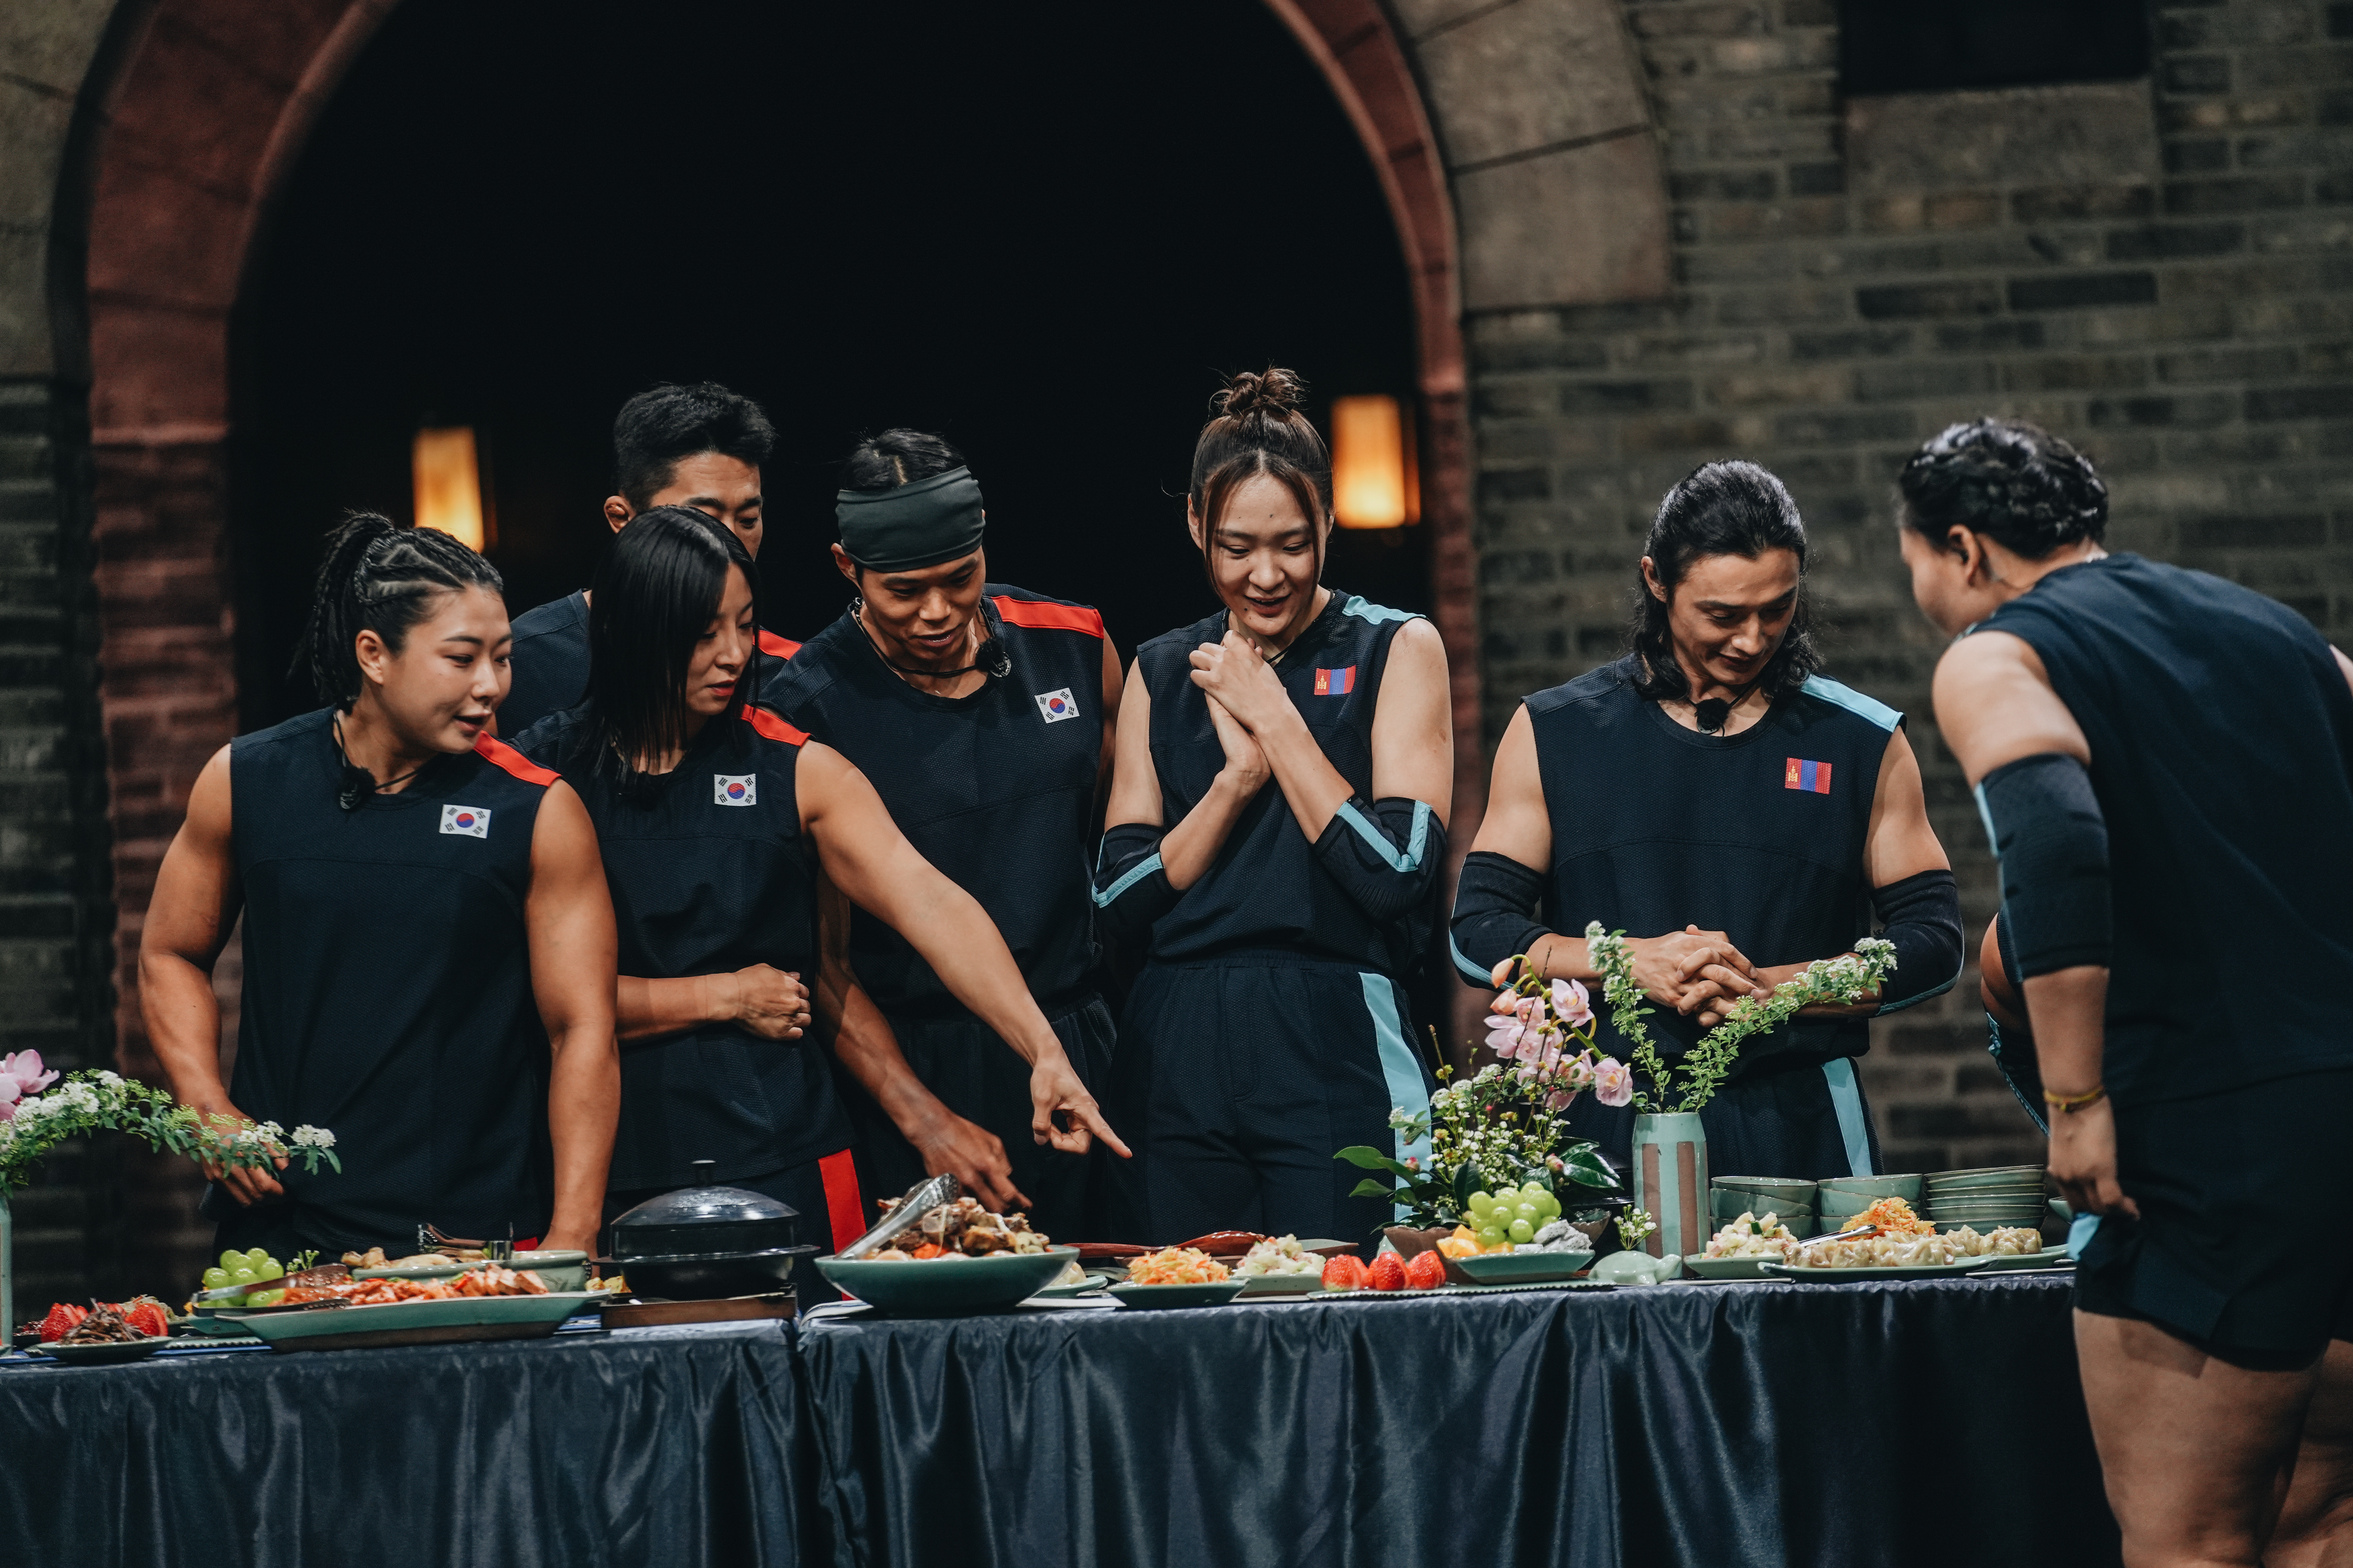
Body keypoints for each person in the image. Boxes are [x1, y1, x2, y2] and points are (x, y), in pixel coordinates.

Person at [1898, 417, 2353, 1567]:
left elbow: (2054, 840)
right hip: (2335, 1115)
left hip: (2212, 1140)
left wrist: (2074, 1100)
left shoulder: (1997, 655)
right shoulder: (2282, 633)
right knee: (2320, 1519)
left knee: (2185, 1542)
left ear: (1961, 548)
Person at [512, 507, 1121, 1277]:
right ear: (628, 632)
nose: (734, 654)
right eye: (703, 634)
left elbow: (930, 901)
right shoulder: (541, 778)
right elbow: (535, 1001)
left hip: (786, 1149)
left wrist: (1042, 1048)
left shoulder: (796, 767)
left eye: (745, 625)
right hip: (603, 1158)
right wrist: (722, 996)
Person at [1451, 460, 1960, 1181]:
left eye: (1777, 609)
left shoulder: (1861, 741)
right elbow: (1478, 930)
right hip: (1601, 1123)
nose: (1752, 639)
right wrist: (1629, 963)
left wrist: (1773, 992)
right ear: (1656, 580)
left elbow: (1932, 942)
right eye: (1722, 616)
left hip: (1801, 1121)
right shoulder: (1555, 731)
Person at [140, 514, 620, 1258]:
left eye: (502, 658)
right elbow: (170, 952)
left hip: (468, 1237)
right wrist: (205, 1105)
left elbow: (581, 1028)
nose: (491, 686)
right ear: (374, 655)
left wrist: (574, 1233)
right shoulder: (248, 778)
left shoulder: (537, 809)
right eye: (461, 659)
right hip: (282, 1228)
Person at [1092, 368, 1453, 1245]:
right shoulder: (1161, 668)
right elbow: (1113, 899)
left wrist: (1276, 718)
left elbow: (1396, 875)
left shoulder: (1395, 647)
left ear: (1328, 520)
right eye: (1236, 547)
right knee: (1182, 1301)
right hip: (1175, 1040)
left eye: (1292, 544)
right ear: (1195, 527)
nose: (1265, 575)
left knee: (1351, 1297)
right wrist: (1236, 782)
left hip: (1334, 1022)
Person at [762, 429, 1126, 1239]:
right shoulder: (805, 707)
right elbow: (821, 962)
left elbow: (1112, 844)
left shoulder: (1073, 644)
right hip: (918, 1064)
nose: (937, 611)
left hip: (1079, 1042)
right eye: (904, 590)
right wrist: (922, 1116)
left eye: (960, 577)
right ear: (846, 567)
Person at [501, 381, 797, 736]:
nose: (729, 542)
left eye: (748, 520)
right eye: (702, 519)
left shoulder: (791, 674)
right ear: (622, 518)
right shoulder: (521, 660)